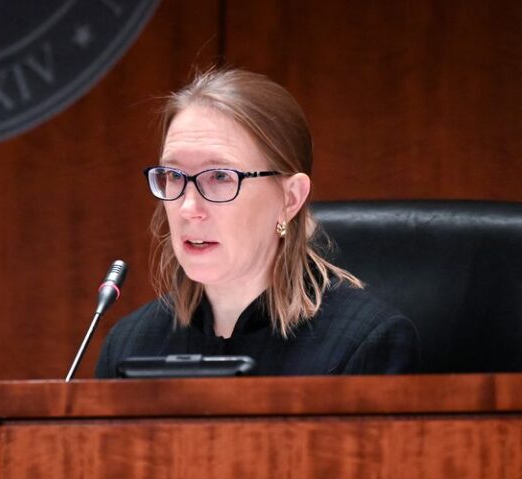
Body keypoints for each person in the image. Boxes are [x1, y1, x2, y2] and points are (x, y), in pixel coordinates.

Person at [95, 68, 421, 377]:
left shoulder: (365, 345)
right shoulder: (128, 346)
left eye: (220, 176)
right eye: (174, 175)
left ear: (290, 198)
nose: (188, 208)